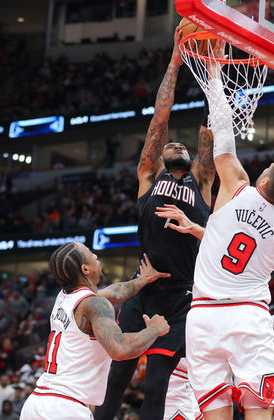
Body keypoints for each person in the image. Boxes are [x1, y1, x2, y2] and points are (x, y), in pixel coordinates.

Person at [164, 51, 274, 419]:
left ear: (263, 179)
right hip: (248, 318)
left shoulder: (237, 186)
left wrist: (214, 74)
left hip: (203, 318)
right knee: (258, 410)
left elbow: (224, 134)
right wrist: (206, 229)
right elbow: (249, 242)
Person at [94, 25, 216, 420]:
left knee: (157, 386)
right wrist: (176, 61)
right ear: (158, 157)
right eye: (168, 145)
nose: (174, 143)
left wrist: (212, 68)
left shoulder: (202, 180)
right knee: (115, 382)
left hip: (181, 295)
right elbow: (160, 116)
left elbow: (210, 130)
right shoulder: (150, 175)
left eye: (182, 145)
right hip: (142, 288)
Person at [20, 242, 171, 420]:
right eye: (91, 253)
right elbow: (120, 349)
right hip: (65, 409)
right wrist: (154, 329)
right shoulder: (94, 304)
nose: (96, 257)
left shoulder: (65, 297)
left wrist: (142, 280)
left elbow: (114, 294)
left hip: (37, 403)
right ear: (85, 269)